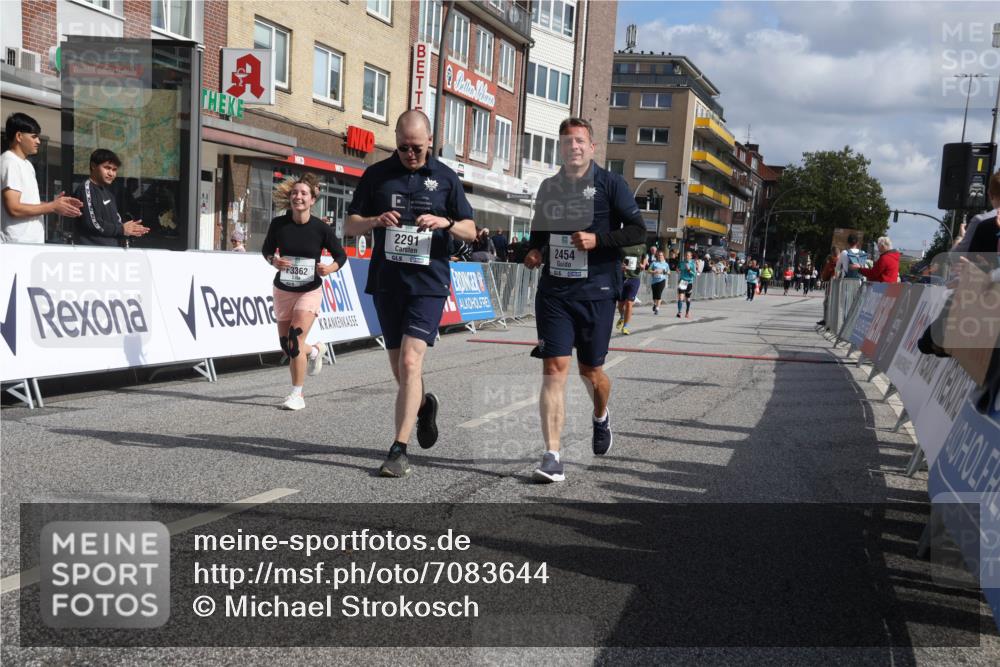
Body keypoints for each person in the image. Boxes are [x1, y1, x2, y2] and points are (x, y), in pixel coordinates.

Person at [345, 110, 476, 478]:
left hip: (428, 285)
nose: (410, 154)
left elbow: (471, 230)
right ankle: (422, 407)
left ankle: (398, 450)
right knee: (400, 370)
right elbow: (349, 225)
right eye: (403, 148)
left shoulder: (446, 178)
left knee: (409, 362)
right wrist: (374, 220)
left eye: (417, 147)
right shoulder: (376, 175)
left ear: (430, 141)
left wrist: (445, 222)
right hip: (387, 282)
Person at [523, 117, 645, 483]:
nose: (573, 146)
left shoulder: (611, 184)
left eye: (579, 141)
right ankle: (552, 456)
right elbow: (539, 232)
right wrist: (535, 251)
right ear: (561, 148)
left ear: (592, 147)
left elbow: (639, 231)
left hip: (597, 292)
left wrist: (598, 241)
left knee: (590, 372)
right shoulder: (550, 187)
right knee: (554, 368)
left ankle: (600, 416)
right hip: (555, 293)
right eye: (567, 141)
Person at [262, 173, 347, 410]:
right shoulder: (279, 224)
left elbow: (341, 256)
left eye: (303, 193)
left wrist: (329, 268)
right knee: (287, 346)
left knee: (294, 340)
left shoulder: (321, 228)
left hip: (309, 290)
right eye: (294, 193)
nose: (298, 196)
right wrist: (274, 261)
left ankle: (297, 394)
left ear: (312, 200)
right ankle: (316, 350)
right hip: (283, 289)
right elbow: (266, 250)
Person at [2, 112, 82, 243]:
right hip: (17, 244)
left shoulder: (26, 164)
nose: (38, 141)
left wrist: (56, 205)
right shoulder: (10, 162)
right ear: (19, 136)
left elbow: (29, 205)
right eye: (34, 137)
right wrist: (52, 206)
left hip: (30, 243)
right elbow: (14, 208)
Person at [72, 149, 149, 246]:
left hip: (111, 250)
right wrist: (122, 229)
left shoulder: (108, 193)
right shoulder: (86, 189)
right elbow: (93, 223)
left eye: (114, 170)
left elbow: (116, 222)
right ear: (93, 166)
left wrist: (130, 230)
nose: (111, 173)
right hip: (93, 251)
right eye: (107, 168)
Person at [616, 242, 647, 335]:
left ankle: (625, 327)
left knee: (629, 303)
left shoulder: (642, 245)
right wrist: (620, 265)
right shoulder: (622, 244)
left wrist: (643, 265)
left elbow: (645, 257)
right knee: (620, 305)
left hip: (634, 278)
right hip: (622, 277)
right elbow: (616, 258)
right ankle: (622, 317)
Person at [647, 249, 670, 314]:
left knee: (659, 294)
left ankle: (657, 308)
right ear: (657, 256)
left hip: (662, 280)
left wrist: (663, 271)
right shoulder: (654, 263)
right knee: (654, 295)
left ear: (663, 256)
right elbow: (648, 270)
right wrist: (654, 271)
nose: (660, 256)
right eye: (659, 255)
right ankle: (655, 304)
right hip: (654, 281)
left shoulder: (666, 264)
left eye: (661, 255)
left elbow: (669, 272)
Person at [676, 250, 697, 318]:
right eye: (686, 255)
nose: (687, 257)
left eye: (688, 255)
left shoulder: (693, 264)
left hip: (689, 282)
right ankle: (679, 312)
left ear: (691, 257)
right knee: (680, 297)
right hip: (683, 281)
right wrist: (677, 270)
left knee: (687, 299)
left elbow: (694, 275)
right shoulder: (682, 263)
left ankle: (687, 312)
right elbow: (678, 268)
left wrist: (689, 270)